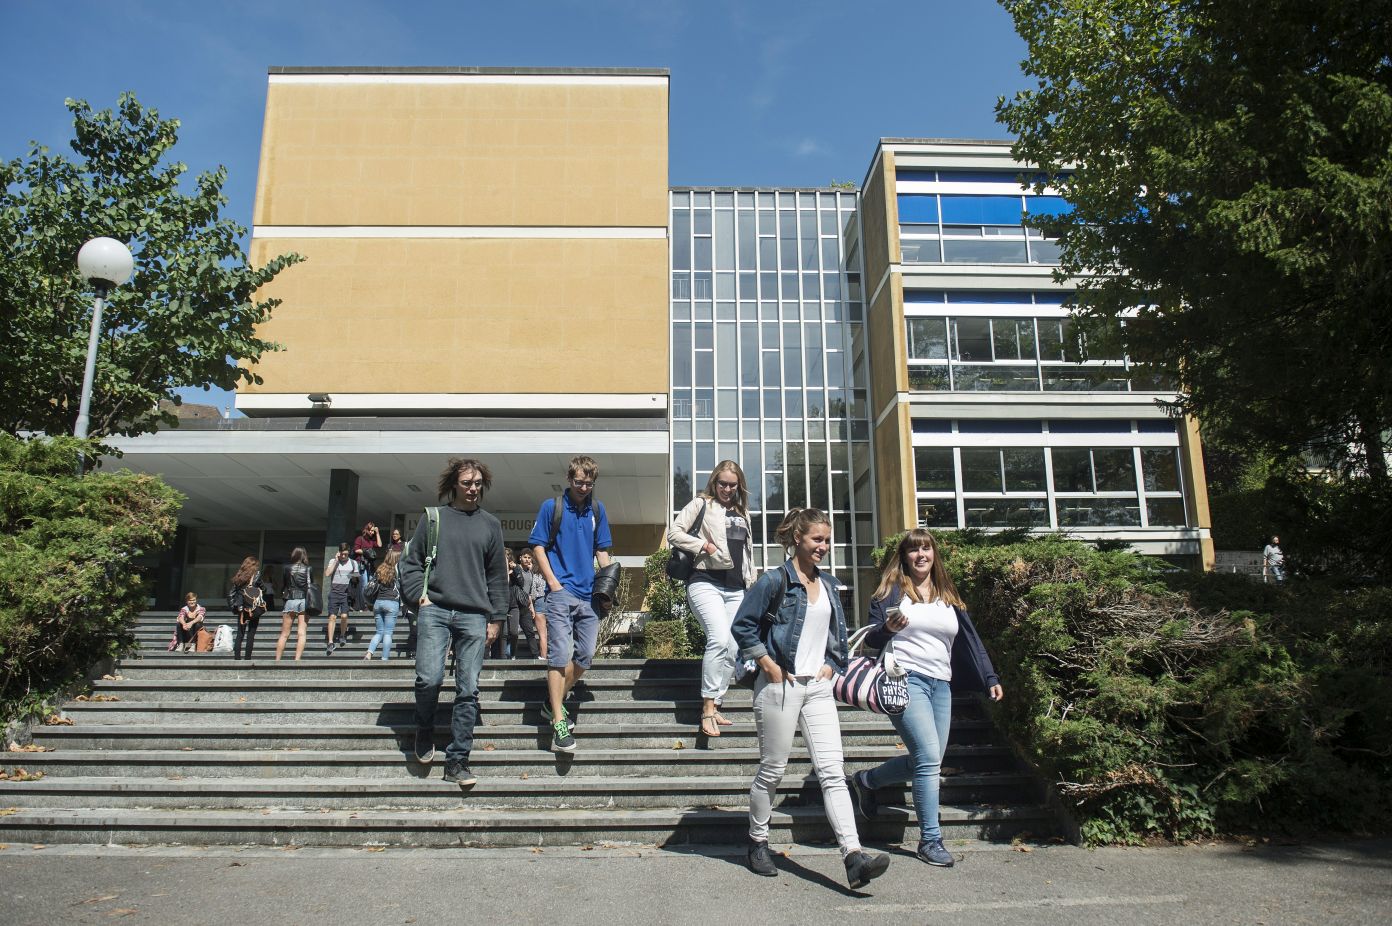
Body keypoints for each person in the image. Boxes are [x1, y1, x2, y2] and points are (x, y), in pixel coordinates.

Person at [731, 508, 890, 889]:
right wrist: (767, 664)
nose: (824, 546)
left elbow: (839, 634)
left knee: (833, 772)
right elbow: (742, 626)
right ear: (797, 539)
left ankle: (854, 857)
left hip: (817, 689)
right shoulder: (774, 581)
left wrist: (833, 666)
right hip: (779, 686)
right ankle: (757, 841)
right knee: (773, 770)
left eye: (827, 540)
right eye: (817, 539)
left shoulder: (831, 585)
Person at [848, 529, 1004, 869]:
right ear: (904, 556)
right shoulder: (891, 592)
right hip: (904, 680)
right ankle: (930, 840)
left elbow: (970, 640)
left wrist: (989, 676)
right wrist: (889, 629)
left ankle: (866, 781)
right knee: (929, 757)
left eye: (926, 548)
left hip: (941, 684)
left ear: (934, 554)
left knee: (927, 758)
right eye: (914, 549)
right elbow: (873, 639)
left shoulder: (948, 594)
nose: (921, 555)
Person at [399, 458, 508, 787]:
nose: (473, 488)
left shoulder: (490, 524)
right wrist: (420, 595)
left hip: (475, 615)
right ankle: (425, 729)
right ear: (454, 485)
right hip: (435, 610)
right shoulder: (434, 519)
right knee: (429, 679)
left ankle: (458, 761)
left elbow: (497, 577)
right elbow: (412, 562)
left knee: (468, 689)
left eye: (477, 483)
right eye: (467, 483)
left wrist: (497, 618)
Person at [527, 455, 614, 753]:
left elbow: (602, 552)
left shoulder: (598, 509)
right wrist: (552, 582)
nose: (584, 487)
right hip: (561, 591)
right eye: (579, 482)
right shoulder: (553, 507)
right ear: (569, 479)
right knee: (559, 654)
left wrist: (608, 584)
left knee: (586, 655)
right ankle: (559, 722)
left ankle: (551, 704)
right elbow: (538, 545)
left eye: (589, 483)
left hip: (589, 593)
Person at [666, 461, 755, 738]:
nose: (727, 489)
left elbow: (748, 553)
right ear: (714, 482)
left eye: (732, 484)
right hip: (705, 581)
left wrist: (752, 582)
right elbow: (674, 533)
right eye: (722, 484)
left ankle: (716, 703)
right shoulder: (701, 504)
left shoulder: (743, 512)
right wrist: (703, 545)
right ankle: (706, 708)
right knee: (718, 637)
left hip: (736, 588)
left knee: (732, 646)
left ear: (739, 486)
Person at [228, 556, 272, 661]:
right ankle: (247, 658)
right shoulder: (256, 576)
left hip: (241, 608)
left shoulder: (238, 576)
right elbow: (264, 589)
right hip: (253, 608)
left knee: (240, 634)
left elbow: (231, 594)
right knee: (251, 634)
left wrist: (235, 607)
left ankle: (237, 658)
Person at [365, 549, 402, 662]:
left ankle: (369, 653)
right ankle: (384, 658)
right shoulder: (398, 571)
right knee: (388, 633)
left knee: (379, 632)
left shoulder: (380, 569)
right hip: (391, 603)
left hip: (378, 603)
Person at [276, 547, 312, 661]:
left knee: (284, 634)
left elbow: (285, 584)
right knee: (301, 633)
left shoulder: (287, 568)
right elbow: (311, 586)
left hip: (290, 600)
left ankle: (277, 660)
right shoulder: (308, 569)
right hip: (303, 601)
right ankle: (297, 660)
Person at [323, 543, 358, 655]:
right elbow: (327, 573)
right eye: (342, 554)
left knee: (344, 616)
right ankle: (330, 641)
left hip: (346, 593)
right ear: (339, 552)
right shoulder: (333, 561)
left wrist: (350, 577)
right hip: (334, 592)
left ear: (349, 552)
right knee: (332, 617)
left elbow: (357, 577)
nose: (343, 556)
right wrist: (335, 560)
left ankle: (342, 635)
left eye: (346, 554)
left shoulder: (353, 563)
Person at [516, 549, 547, 659]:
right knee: (513, 632)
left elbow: (531, 591)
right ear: (520, 558)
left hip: (529, 604)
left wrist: (531, 605)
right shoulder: (517, 570)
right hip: (516, 604)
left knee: (532, 632)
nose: (528, 560)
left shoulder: (532, 573)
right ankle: (510, 655)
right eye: (525, 557)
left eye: (529, 558)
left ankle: (537, 656)